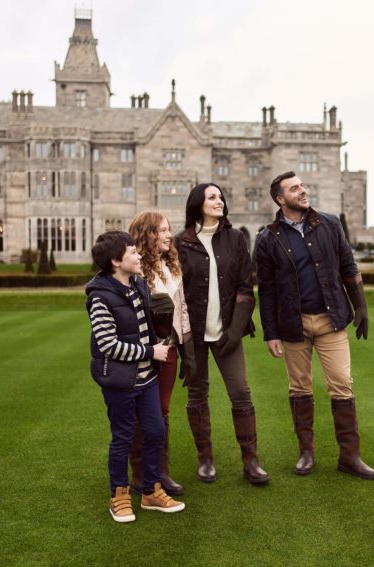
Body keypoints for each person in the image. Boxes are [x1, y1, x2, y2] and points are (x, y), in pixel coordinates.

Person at [254, 171, 374, 480]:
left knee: (341, 384)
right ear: (281, 199)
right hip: (292, 325)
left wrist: (360, 306)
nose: (302, 191)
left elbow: (348, 266)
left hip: (330, 319)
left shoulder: (329, 223)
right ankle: (306, 453)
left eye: (303, 186)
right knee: (299, 388)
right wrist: (270, 333)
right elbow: (266, 289)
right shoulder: (268, 237)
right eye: (295, 188)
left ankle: (350, 456)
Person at [85, 230, 185, 522]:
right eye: (132, 252)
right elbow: (108, 345)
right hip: (120, 381)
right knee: (124, 438)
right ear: (116, 260)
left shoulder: (138, 284)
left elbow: (148, 328)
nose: (139, 255)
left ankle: (151, 491)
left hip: (146, 379)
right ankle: (119, 495)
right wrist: (149, 352)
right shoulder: (100, 297)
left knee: (155, 432)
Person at [177, 183, 269, 485]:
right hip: (195, 336)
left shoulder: (235, 238)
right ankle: (205, 459)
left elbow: (246, 287)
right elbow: (175, 293)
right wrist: (182, 337)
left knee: (241, 393)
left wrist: (235, 330)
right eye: (212, 197)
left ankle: (251, 461)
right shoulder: (181, 243)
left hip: (228, 332)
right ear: (197, 204)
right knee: (197, 395)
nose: (220, 201)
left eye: (221, 197)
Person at [127, 212, 195, 497]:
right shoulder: (132, 269)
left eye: (169, 230)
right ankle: (140, 474)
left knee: (162, 411)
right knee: (141, 414)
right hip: (143, 352)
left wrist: (186, 348)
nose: (169, 235)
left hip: (168, 350)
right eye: (163, 230)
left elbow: (182, 310)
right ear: (147, 234)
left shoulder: (171, 267)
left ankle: (160, 471)